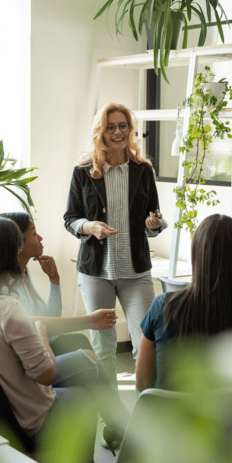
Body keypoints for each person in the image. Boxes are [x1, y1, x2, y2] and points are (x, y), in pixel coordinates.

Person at [0, 217, 129, 463]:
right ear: (8, 254)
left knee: (83, 360)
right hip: (31, 414)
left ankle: (119, 433)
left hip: (5, 403)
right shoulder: (8, 308)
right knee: (84, 397)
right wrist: (42, 332)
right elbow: (46, 374)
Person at [64, 102, 167, 388]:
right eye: (110, 127)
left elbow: (153, 218)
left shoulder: (143, 170)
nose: (118, 132)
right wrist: (89, 226)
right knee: (103, 348)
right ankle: (113, 420)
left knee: (146, 344)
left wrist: (156, 224)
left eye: (123, 126)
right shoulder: (84, 171)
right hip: (96, 272)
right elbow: (70, 218)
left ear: (130, 130)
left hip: (136, 274)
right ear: (101, 131)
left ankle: (145, 409)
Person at [136, 214, 232, 392]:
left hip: (165, 418)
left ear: (197, 254)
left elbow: (142, 383)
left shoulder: (162, 307)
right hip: (224, 420)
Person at [0, 211, 93, 355]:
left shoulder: (22, 275)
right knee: (86, 355)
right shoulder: (5, 286)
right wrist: (90, 321)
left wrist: (54, 280)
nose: (40, 238)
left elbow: (51, 320)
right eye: (34, 233)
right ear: (19, 243)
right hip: (27, 355)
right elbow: (37, 328)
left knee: (80, 342)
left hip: (39, 344)